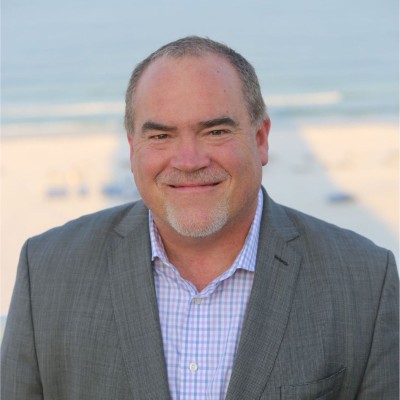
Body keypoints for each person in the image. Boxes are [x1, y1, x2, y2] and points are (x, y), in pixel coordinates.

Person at [1, 36, 398, 400]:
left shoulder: (366, 280)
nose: (189, 161)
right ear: (133, 148)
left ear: (261, 139)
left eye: (215, 132)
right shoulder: (48, 271)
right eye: (161, 136)